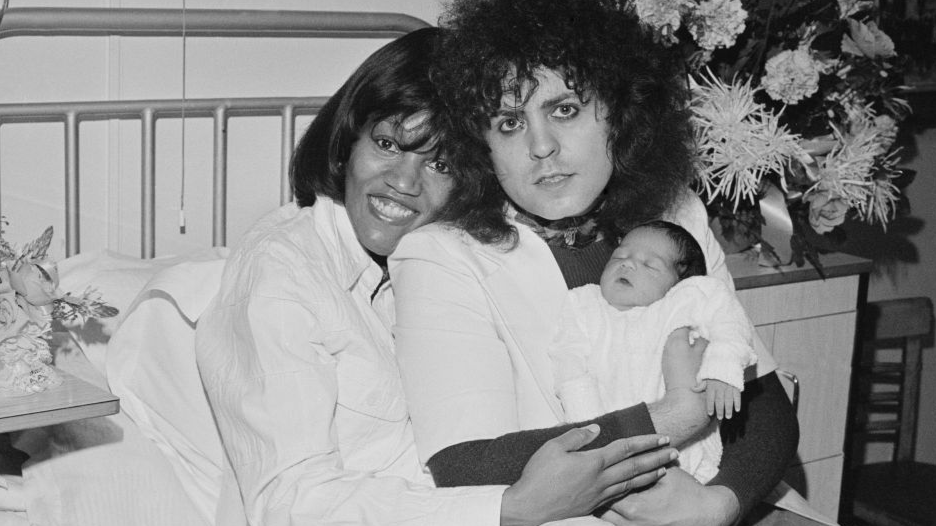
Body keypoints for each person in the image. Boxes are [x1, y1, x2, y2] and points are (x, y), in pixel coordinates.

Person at [193, 27, 677, 526]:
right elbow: (288, 502)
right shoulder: (284, 277)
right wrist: (510, 509)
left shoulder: (449, 260)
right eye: (387, 144)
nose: (403, 183)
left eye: (440, 163)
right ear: (345, 145)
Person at [389, 0, 800, 524]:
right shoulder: (438, 257)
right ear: (480, 145)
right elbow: (466, 464)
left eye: (565, 109)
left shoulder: (677, 217)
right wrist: (672, 416)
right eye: (509, 122)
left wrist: (718, 504)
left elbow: (763, 406)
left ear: (619, 112)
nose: (541, 146)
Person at [549, 220, 758, 484]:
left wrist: (722, 370)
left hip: (684, 455)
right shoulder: (584, 305)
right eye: (620, 256)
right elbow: (569, 365)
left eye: (650, 265)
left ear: (680, 283)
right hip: (604, 450)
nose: (628, 264)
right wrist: (589, 428)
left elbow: (731, 325)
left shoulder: (685, 301)